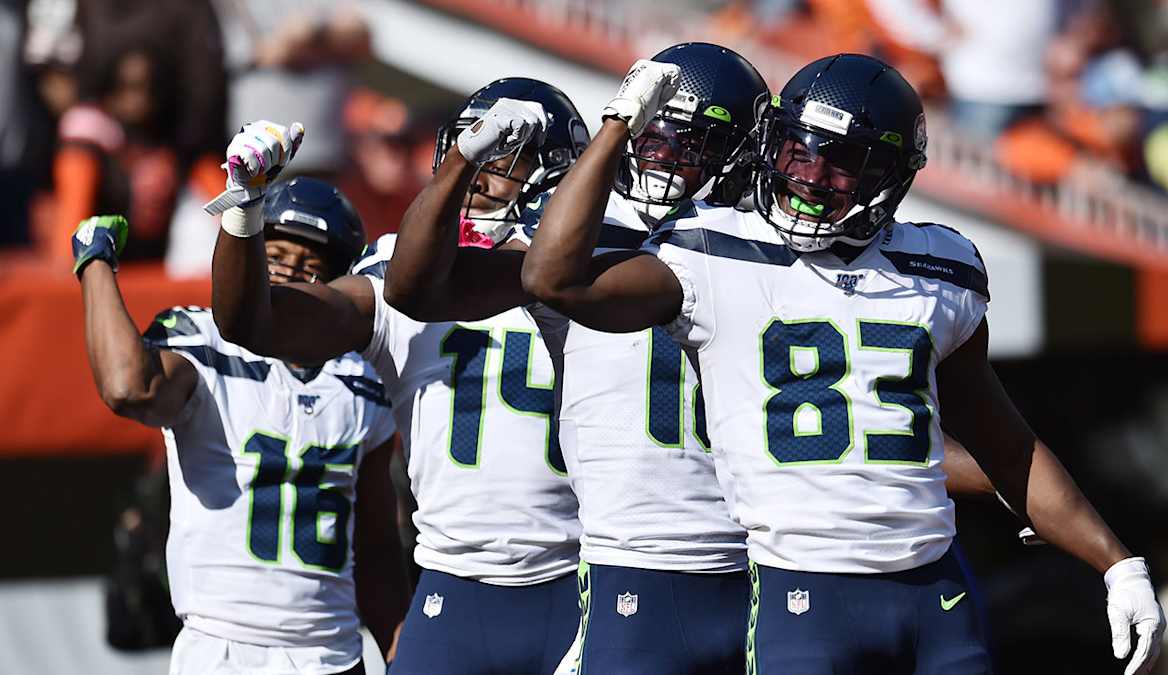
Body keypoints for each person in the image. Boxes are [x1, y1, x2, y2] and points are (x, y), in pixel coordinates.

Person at [521, 52, 1166, 675]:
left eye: (841, 161)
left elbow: (1006, 445)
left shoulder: (939, 267)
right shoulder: (712, 251)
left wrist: (1117, 563)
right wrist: (617, 126)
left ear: (889, 175)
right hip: (800, 593)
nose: (810, 176)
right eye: (797, 150)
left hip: (935, 595)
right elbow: (553, 279)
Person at [384, 43, 1012, 674]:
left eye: (693, 143)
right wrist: (464, 161)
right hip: (632, 561)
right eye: (653, 137)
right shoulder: (578, 242)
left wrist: (1010, 481)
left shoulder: (769, 249)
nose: (665, 157)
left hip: (762, 560)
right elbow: (418, 289)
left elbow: (861, 428)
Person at [207, 80, 589, 674]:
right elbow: (253, 323)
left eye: (505, 158)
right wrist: (244, 205)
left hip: (583, 574)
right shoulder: (391, 270)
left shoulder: (595, 271)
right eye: (471, 148)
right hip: (454, 579)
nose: (480, 173)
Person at [73, 175, 406, 674]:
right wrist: (95, 261)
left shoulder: (363, 381)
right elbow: (129, 388)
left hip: (330, 654)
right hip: (223, 649)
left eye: (310, 268)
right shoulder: (203, 345)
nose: (288, 276)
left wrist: (401, 651)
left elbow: (375, 547)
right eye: (275, 257)